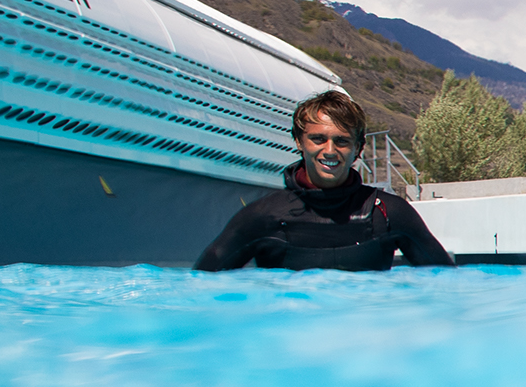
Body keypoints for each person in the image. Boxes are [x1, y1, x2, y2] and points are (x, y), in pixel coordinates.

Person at [194, 88, 454, 270]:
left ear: (358, 148)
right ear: (299, 141)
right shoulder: (261, 217)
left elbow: (449, 287)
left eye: (341, 141)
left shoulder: (389, 213)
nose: (329, 151)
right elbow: (199, 289)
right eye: (318, 139)